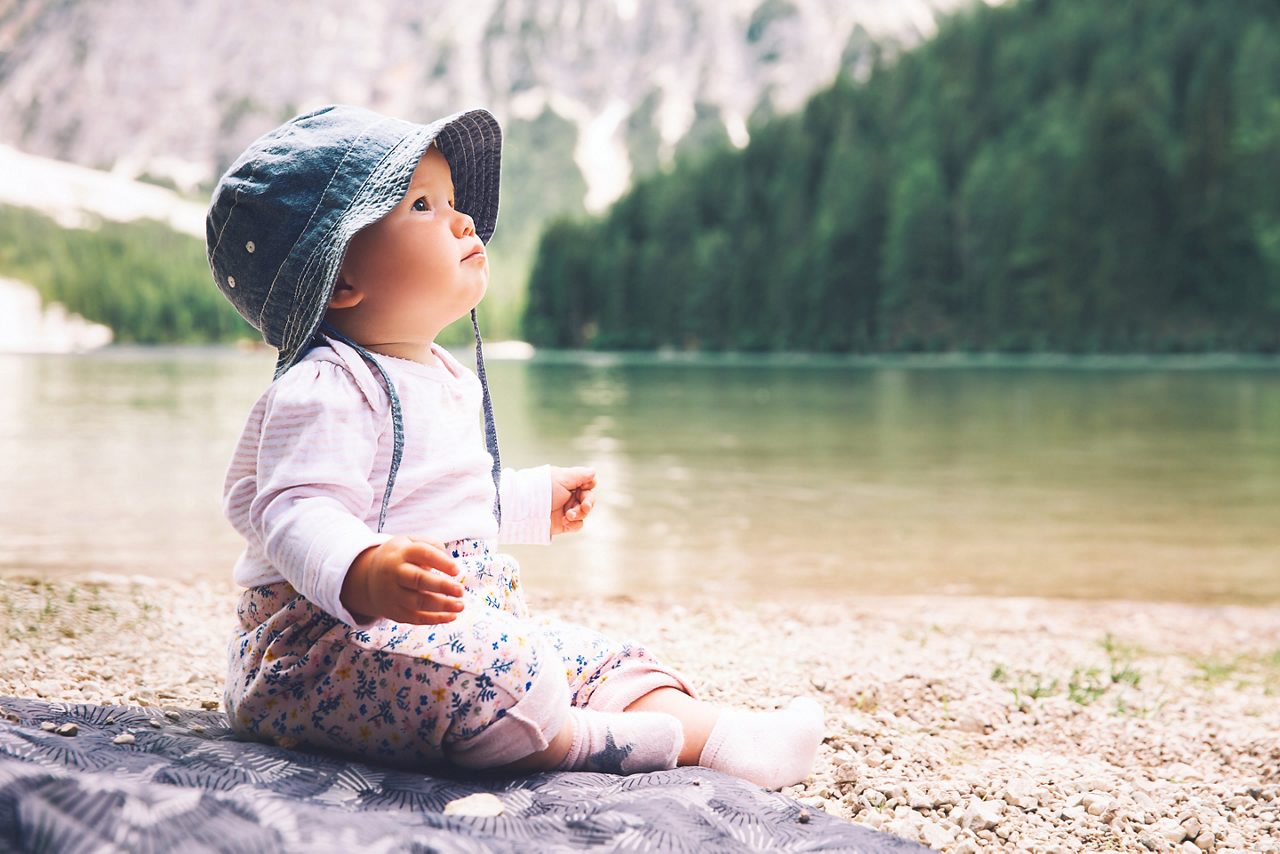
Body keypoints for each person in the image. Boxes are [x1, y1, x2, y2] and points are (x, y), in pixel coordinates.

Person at [206, 104, 823, 786]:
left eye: (451, 201)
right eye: (421, 206)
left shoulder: (435, 376)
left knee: (597, 658)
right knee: (514, 670)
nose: (462, 220)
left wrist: (527, 502)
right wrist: (367, 570)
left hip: (440, 633)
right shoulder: (324, 387)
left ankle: (726, 737)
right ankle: (595, 741)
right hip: (320, 654)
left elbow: (438, 500)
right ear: (341, 278)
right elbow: (296, 511)